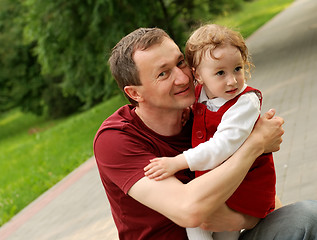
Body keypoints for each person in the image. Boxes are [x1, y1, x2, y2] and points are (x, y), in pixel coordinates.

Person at [93, 27, 317, 240]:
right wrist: (256, 143)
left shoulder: (207, 107)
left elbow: (263, 197)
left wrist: (239, 219)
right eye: (163, 74)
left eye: (181, 63)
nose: (183, 78)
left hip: (227, 234)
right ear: (135, 93)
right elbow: (188, 210)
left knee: (306, 217)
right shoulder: (116, 139)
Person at [143, 24, 275, 240]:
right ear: (199, 76)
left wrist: (177, 162)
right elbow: (201, 110)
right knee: (198, 221)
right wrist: (189, 113)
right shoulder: (201, 94)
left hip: (245, 186)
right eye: (220, 72)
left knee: (203, 224)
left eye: (238, 69)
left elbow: (222, 146)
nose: (232, 80)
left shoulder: (244, 103)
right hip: (223, 182)